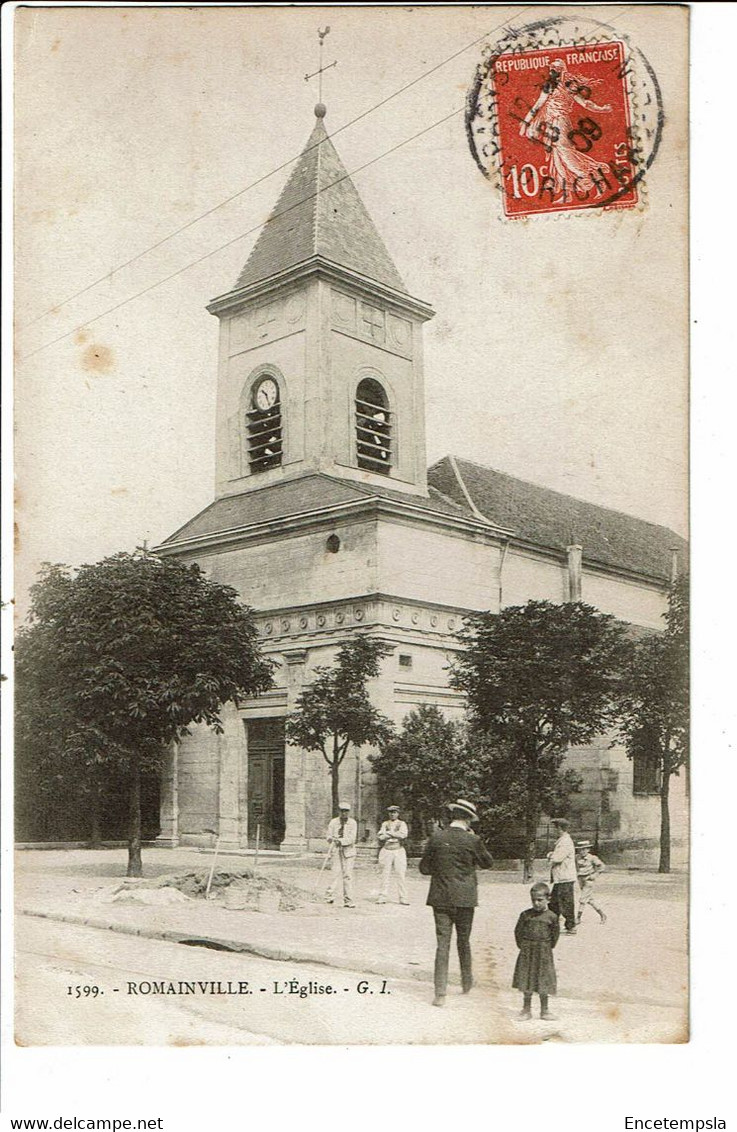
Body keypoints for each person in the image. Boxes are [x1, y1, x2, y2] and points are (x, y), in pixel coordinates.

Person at [419, 799, 493, 1007]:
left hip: (440, 897)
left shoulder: (436, 837)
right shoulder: (473, 840)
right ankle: (466, 983)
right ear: (468, 819)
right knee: (464, 941)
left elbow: (424, 868)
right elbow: (488, 863)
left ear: (452, 816)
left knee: (442, 944)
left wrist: (442, 871)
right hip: (465, 899)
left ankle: (440, 994)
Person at [518, 59, 613, 202]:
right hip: (550, 124)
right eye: (551, 68)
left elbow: (585, 103)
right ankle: (566, 193)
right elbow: (538, 105)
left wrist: (601, 109)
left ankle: (595, 176)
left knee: (565, 154)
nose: (552, 71)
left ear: (562, 71)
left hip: (561, 122)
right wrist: (525, 122)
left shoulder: (568, 86)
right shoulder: (549, 86)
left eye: (555, 69)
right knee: (557, 159)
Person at [513, 882, 560, 1020]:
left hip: (544, 952)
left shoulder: (552, 917)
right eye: (533, 900)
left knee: (543, 980)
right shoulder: (525, 915)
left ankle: (544, 1010)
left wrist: (546, 947)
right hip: (527, 951)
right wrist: (524, 946)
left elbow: (555, 936)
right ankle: (526, 1010)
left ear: (548, 899)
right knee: (527, 980)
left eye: (540, 900)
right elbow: (518, 932)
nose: (536, 903)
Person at [547, 818, 578, 934]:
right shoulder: (562, 840)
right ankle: (552, 925)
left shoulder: (565, 841)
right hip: (560, 878)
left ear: (559, 828)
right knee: (554, 903)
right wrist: (552, 855)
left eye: (554, 827)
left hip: (565, 877)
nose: (553, 830)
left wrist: (550, 856)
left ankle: (571, 926)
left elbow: (557, 858)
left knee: (566, 903)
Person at [325, 802, 357, 908]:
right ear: (339, 811)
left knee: (347, 875)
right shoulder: (333, 822)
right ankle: (329, 896)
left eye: (346, 811)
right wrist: (332, 839)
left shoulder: (353, 823)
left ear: (349, 812)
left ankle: (348, 900)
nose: (344, 813)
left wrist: (341, 841)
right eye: (342, 811)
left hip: (348, 852)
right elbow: (328, 836)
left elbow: (352, 839)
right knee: (334, 874)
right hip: (336, 851)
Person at [376, 805, 410, 905]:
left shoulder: (402, 824)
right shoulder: (385, 823)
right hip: (386, 850)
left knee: (400, 874)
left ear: (398, 813)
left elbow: (403, 835)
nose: (392, 814)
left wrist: (389, 833)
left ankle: (403, 897)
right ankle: (382, 896)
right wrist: (394, 834)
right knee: (384, 874)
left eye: (394, 812)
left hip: (398, 850)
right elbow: (381, 837)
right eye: (391, 812)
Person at [575, 840, 607, 924]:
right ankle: (602, 914)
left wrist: (595, 875)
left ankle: (578, 918)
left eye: (584, 849)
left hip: (589, 879)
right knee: (589, 900)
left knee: (582, 899)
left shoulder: (592, 858)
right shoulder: (577, 857)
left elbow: (602, 866)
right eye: (580, 849)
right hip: (580, 879)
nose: (582, 851)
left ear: (588, 849)